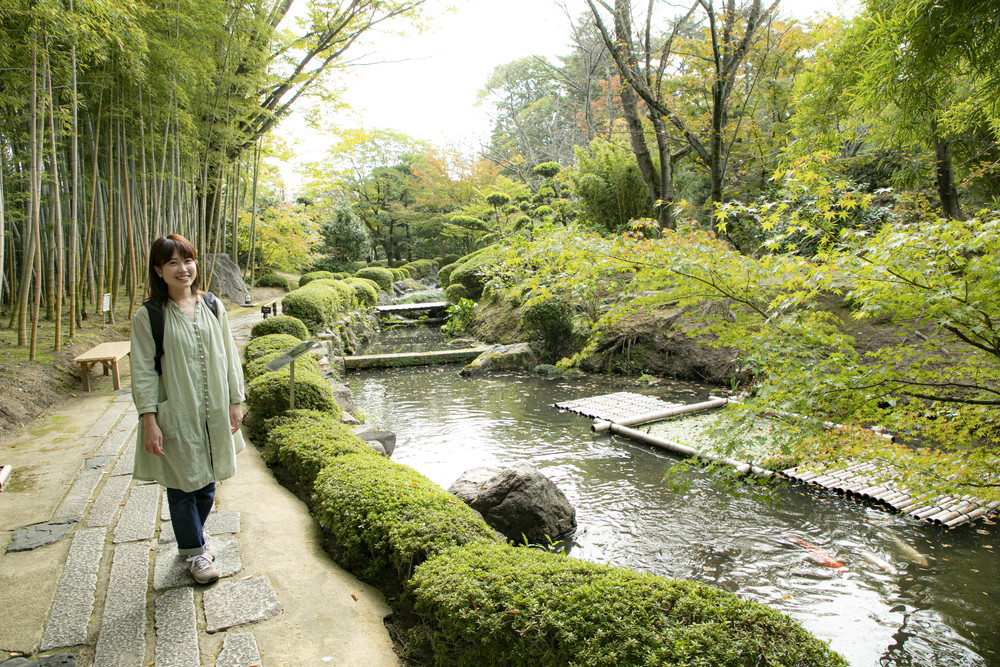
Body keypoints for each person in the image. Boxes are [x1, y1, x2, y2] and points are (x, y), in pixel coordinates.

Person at [130, 234, 246, 584]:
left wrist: (236, 400)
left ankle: (193, 538)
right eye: (173, 263)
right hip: (176, 410)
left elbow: (228, 356)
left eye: (188, 260)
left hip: (213, 411)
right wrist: (149, 420)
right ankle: (195, 553)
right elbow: (143, 372)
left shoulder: (212, 305)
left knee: (208, 479)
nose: (183, 269)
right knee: (181, 485)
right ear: (159, 270)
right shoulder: (149, 316)